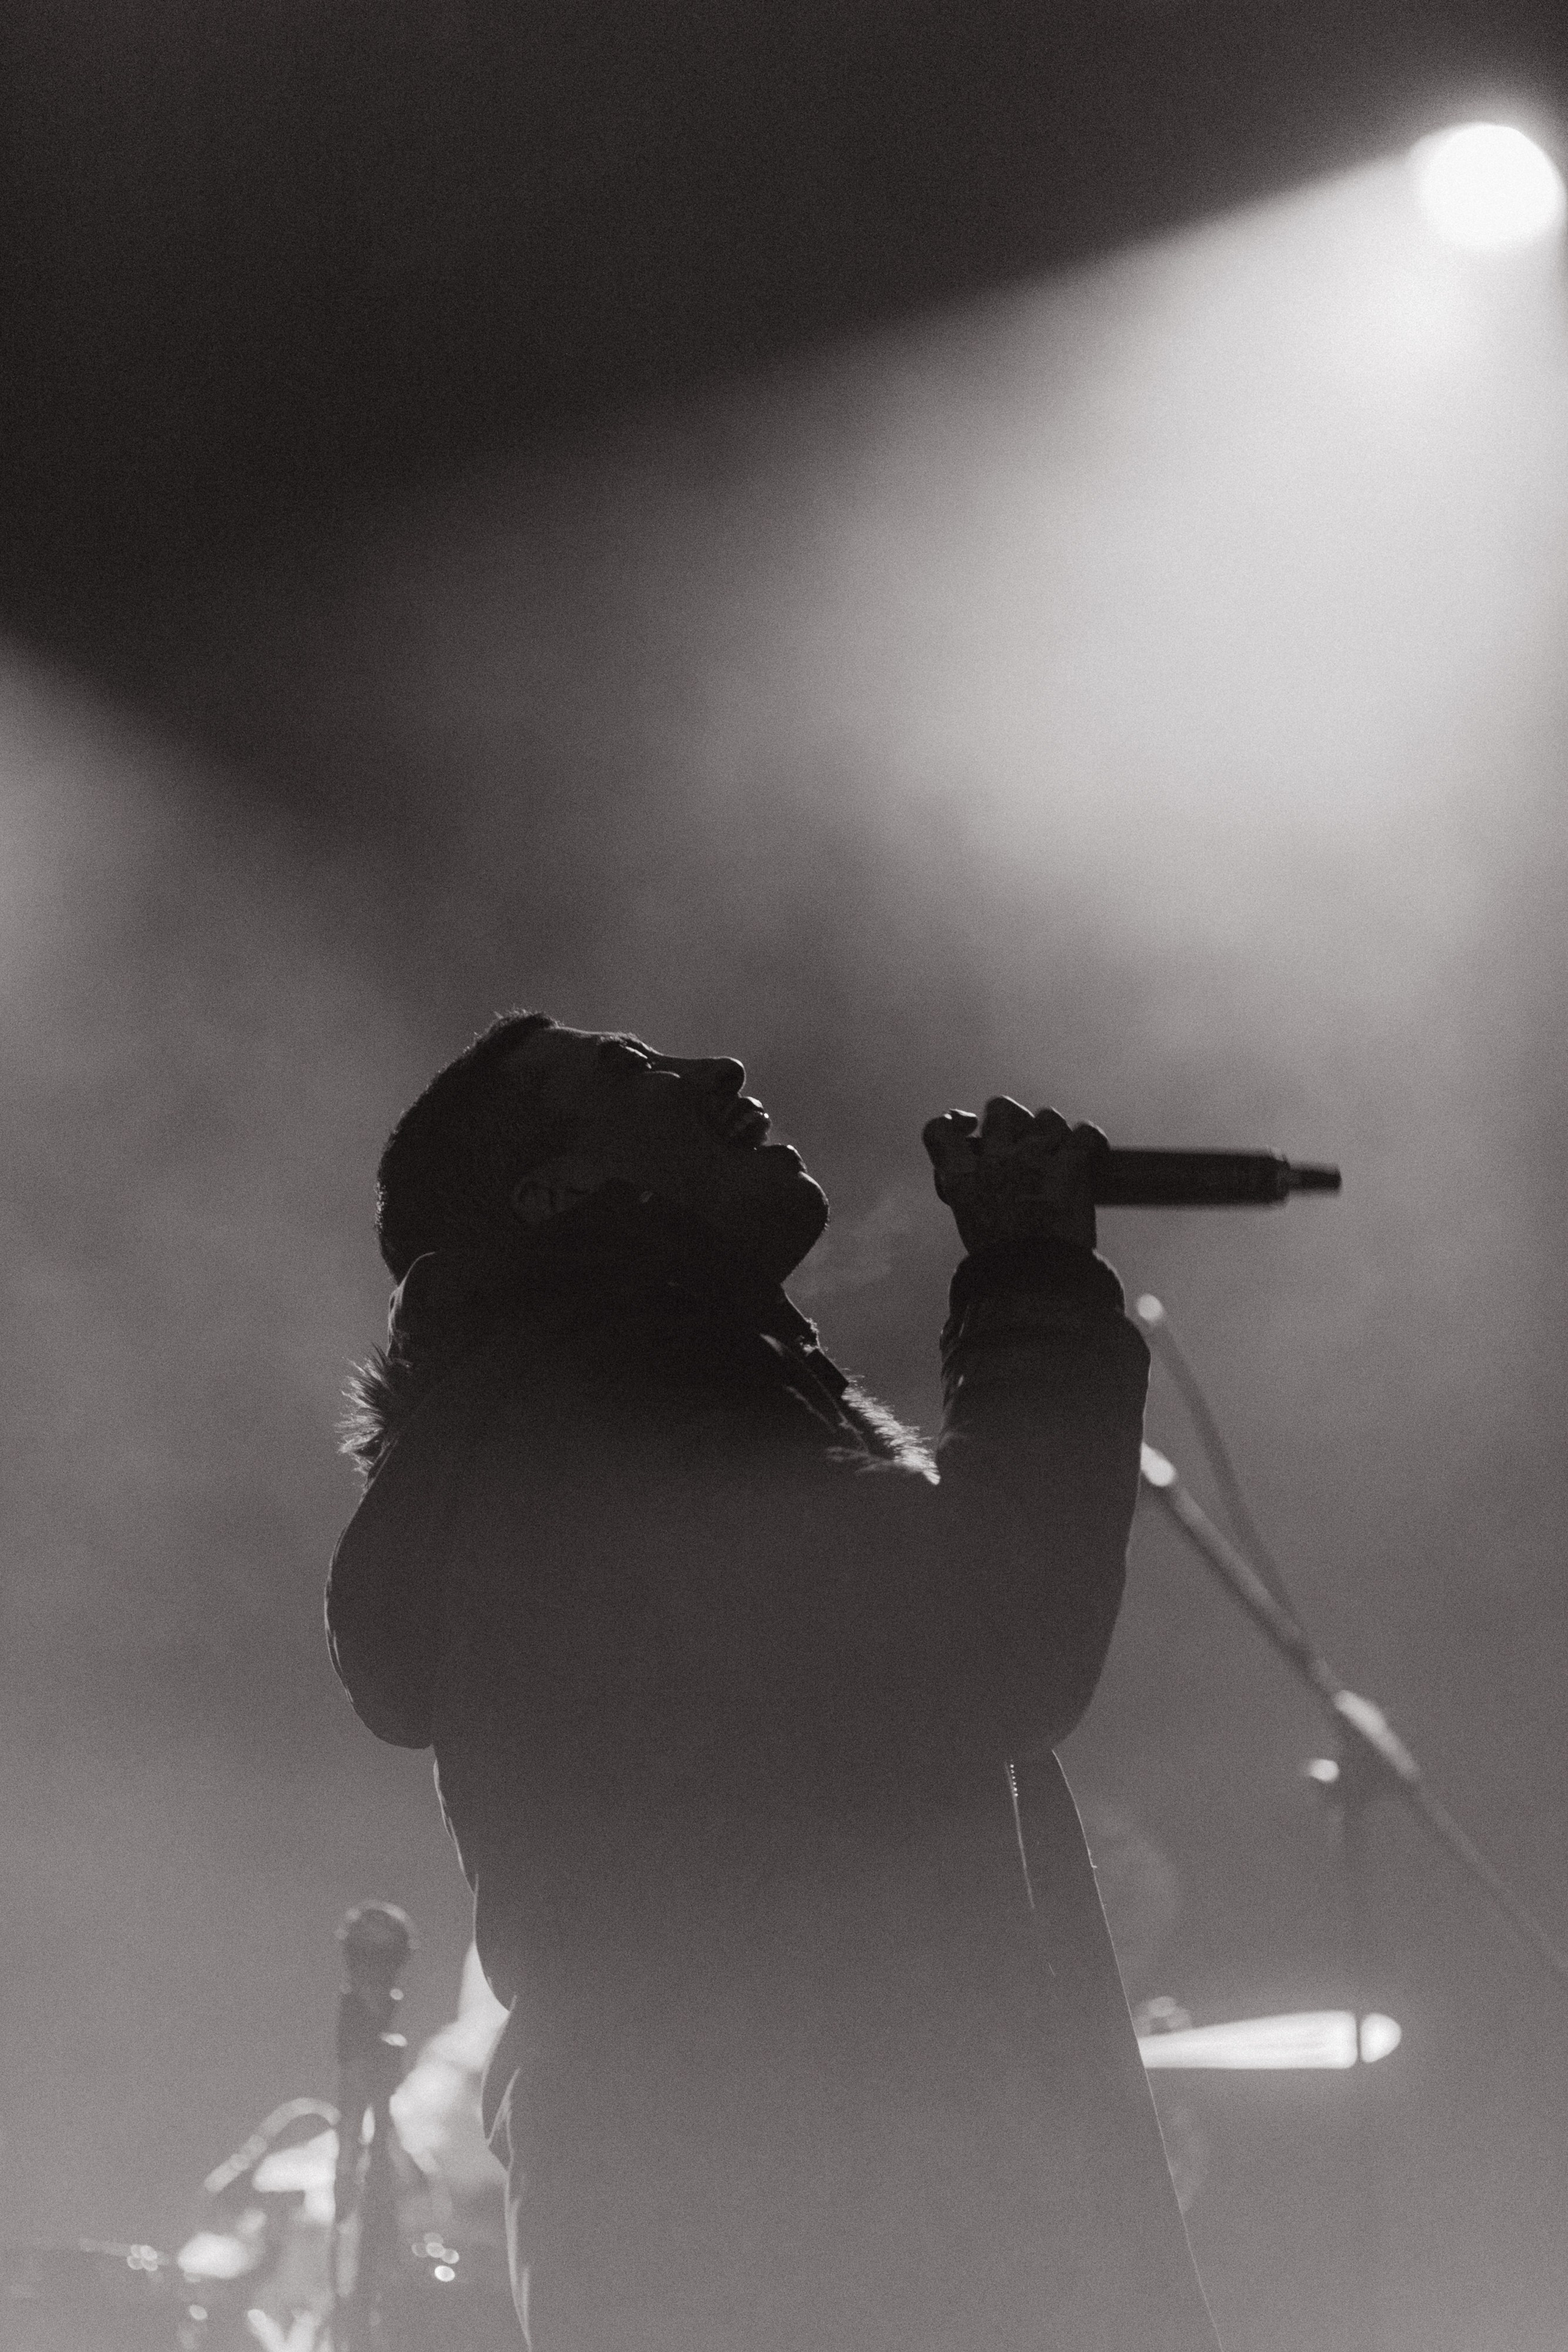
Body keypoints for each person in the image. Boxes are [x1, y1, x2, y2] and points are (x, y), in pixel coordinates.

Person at [326, 1012, 1221, 2351]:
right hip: (836, 2219)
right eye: (631, 1081)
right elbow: (994, 1636)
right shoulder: (612, 1405)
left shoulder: (587, 1408)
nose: (719, 1072)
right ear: (563, 1195)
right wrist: (1031, 1282)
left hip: (740, 2215)